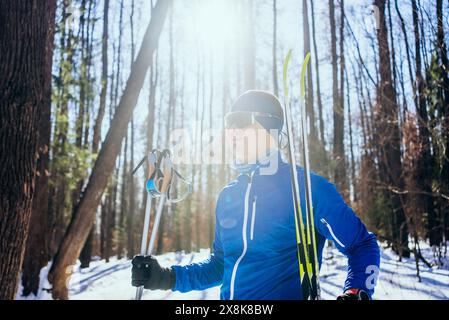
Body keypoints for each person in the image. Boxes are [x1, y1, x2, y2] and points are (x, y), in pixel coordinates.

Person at [131, 90, 380, 300]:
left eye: (241, 122)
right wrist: (166, 277)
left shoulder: (306, 188)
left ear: (270, 129)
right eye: (229, 124)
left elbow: (362, 245)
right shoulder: (228, 196)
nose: (233, 132)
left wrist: (356, 292)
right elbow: (220, 266)